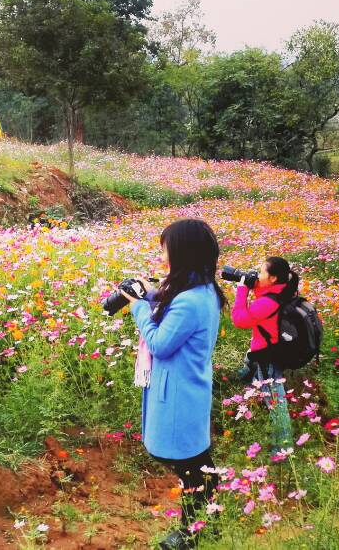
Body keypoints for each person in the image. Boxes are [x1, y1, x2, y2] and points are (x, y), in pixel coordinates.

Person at [121, 218, 225, 549]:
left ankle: (191, 533)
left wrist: (138, 308)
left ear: (183, 253)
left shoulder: (190, 300)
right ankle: (207, 521)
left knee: (190, 465)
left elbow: (161, 344)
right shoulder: (199, 289)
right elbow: (169, 297)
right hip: (186, 387)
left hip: (179, 392)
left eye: (165, 251)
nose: (162, 258)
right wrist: (147, 292)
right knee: (197, 461)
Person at [229, 257, 299, 452]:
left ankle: (284, 450)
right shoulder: (282, 292)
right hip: (265, 353)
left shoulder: (269, 302)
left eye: (261, 273)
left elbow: (240, 320)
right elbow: (264, 301)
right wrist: (255, 285)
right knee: (244, 377)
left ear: (274, 278)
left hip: (267, 357)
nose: (256, 275)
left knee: (277, 403)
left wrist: (243, 289)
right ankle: (232, 408)